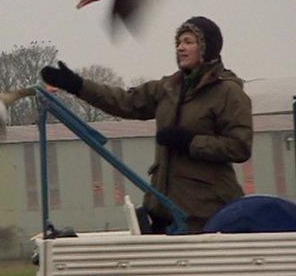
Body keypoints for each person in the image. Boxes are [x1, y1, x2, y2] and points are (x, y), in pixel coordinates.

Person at [40, 16, 252, 233]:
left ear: (207, 49)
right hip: (164, 214)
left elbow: (240, 146)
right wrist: (78, 85)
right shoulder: (168, 88)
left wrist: (190, 142)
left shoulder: (228, 92)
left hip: (207, 217)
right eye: (178, 42)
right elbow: (124, 101)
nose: (180, 48)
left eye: (188, 42)